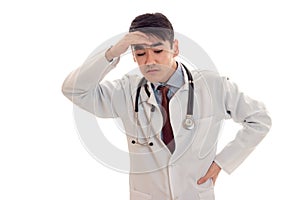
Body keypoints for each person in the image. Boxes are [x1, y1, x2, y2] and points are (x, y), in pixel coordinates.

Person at [62, 13, 272, 200]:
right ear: (133, 56)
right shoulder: (125, 92)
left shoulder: (213, 85)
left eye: (158, 51)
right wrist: (112, 53)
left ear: (175, 48)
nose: (150, 61)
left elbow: (259, 119)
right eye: (141, 54)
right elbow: (73, 89)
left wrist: (223, 163)